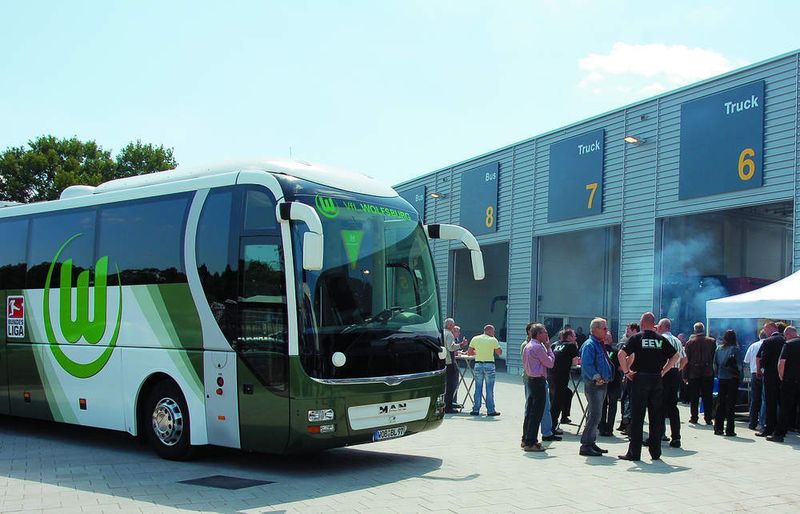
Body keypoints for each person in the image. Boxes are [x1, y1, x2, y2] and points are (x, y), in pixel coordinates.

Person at [617, 312, 680, 462]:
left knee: (638, 417)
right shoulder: (660, 339)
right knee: (656, 417)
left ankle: (634, 453)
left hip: (640, 379)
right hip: (656, 380)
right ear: (653, 324)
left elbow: (621, 353)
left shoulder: (637, 338)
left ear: (642, 323)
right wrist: (663, 371)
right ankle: (655, 452)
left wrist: (626, 372)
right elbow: (676, 356)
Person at [579, 317, 614, 457]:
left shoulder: (598, 344)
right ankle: (586, 445)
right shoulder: (590, 344)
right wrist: (596, 377)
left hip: (601, 384)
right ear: (595, 329)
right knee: (595, 415)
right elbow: (586, 364)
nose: (607, 331)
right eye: (604, 328)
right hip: (595, 385)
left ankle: (591, 442)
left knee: (596, 415)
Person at [521, 324, 555, 452]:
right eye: (545, 332)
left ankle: (525, 438)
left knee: (530, 411)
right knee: (537, 412)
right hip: (539, 381)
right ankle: (531, 442)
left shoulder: (528, 346)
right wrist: (549, 349)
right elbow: (550, 363)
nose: (547, 335)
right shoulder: (538, 347)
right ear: (539, 334)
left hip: (530, 379)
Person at [656, 318, 686, 447]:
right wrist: (678, 369)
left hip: (664, 373)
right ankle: (676, 437)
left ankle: (660, 433)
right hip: (675, 374)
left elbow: (659, 358)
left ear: (662, 327)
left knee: (659, 405)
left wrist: (663, 371)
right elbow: (685, 359)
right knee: (672, 406)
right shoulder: (678, 340)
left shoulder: (661, 339)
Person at [768, 326, 799, 442]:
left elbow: (782, 363)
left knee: (785, 407)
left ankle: (780, 434)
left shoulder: (789, 344)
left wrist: (781, 377)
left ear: (789, 334)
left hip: (789, 380)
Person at [684, 322, 716, 425]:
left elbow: (686, 360)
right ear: (703, 329)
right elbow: (713, 357)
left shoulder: (689, 343)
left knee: (694, 397)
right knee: (707, 396)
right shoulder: (711, 341)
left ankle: (694, 417)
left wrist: (685, 375)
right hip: (708, 372)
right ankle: (708, 418)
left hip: (694, 373)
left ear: (695, 330)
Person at [756, 322, 785, 437]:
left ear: (770, 328)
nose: (765, 332)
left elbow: (763, 359)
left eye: (765, 329)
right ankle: (781, 428)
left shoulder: (768, 341)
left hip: (770, 376)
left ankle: (769, 428)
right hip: (782, 376)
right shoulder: (784, 340)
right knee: (781, 402)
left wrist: (761, 369)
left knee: (770, 403)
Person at [549, 328, 580, 430]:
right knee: (556, 402)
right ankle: (552, 427)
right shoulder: (571, 345)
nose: (576, 337)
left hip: (551, 376)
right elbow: (575, 362)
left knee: (567, 393)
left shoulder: (554, 345)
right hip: (561, 376)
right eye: (574, 335)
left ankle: (564, 417)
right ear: (569, 337)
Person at [468, 325, 502, 416]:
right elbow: (499, 352)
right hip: (489, 364)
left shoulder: (475, 338)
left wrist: (478, 351)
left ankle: (476, 409)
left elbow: (470, 353)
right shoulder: (493, 340)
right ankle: (490, 410)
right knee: (489, 389)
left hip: (478, 364)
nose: (494, 333)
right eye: (493, 331)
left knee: (478, 388)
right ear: (490, 331)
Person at [713, 329, 740, 437]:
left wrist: (718, 374)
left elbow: (714, 364)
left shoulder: (718, 349)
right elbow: (738, 366)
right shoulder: (735, 349)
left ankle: (718, 428)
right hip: (732, 378)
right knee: (731, 404)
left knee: (720, 403)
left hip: (721, 377)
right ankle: (729, 429)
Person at [617, 322, 640, 433]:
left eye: (628, 330)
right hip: (628, 375)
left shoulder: (636, 341)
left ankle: (629, 426)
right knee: (624, 399)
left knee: (630, 401)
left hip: (632, 375)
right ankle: (624, 423)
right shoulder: (629, 341)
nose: (626, 332)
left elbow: (631, 357)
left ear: (635, 330)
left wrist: (627, 371)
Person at [598, 329, 621, 437]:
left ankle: (602, 427)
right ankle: (609, 428)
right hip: (614, 381)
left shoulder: (598, 350)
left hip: (601, 381)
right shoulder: (616, 351)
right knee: (612, 406)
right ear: (610, 339)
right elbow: (621, 367)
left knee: (602, 405)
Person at [743, 330, 766, 430]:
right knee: (765, 399)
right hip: (765, 374)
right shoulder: (768, 344)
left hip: (754, 374)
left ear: (759, 336)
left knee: (755, 399)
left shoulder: (753, 346)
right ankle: (762, 422)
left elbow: (746, 360)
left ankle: (752, 422)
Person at [443, 318, 460, 413]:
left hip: (443, 361)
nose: (454, 327)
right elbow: (451, 347)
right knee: (451, 385)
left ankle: (444, 405)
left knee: (445, 385)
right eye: (453, 325)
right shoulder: (449, 334)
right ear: (450, 325)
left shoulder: (442, 332)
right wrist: (460, 345)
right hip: (449, 362)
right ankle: (448, 407)